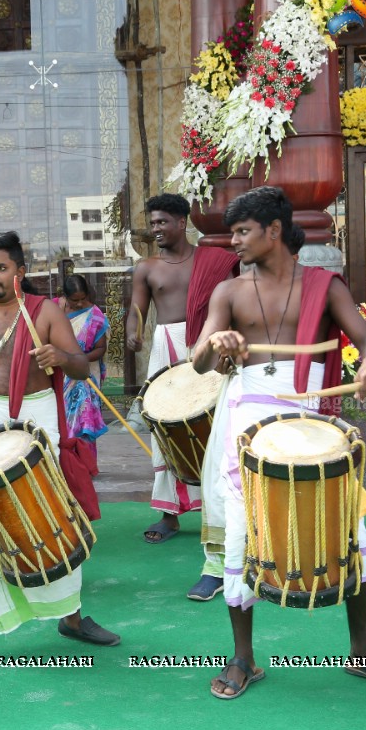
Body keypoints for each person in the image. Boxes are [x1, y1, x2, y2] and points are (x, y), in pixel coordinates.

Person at [191, 186, 366, 699]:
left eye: (243, 231)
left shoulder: (324, 285)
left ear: (274, 230)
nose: (236, 242)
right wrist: (215, 344)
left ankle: (361, 653)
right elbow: (197, 360)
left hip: (313, 425)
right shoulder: (228, 291)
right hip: (246, 428)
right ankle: (243, 660)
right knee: (242, 542)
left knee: (352, 537)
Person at [0, 231, 120, 677]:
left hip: (37, 424)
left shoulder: (45, 312)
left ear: (20, 271)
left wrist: (59, 354)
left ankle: (70, 617)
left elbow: (82, 366)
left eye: (1, 267)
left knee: (51, 518)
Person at [127, 193, 238, 602]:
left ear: (181, 222)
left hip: (204, 343)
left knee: (207, 427)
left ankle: (216, 511)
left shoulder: (212, 260)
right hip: (166, 346)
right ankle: (170, 513)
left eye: (162, 222)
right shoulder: (147, 267)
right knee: (165, 428)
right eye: (152, 223)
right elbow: (136, 310)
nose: (156, 229)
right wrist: (133, 333)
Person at [53, 275, 108, 464]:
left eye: (82, 299)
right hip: (58, 376)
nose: (79, 304)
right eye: (74, 300)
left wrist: (76, 361)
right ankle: (64, 465)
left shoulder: (95, 315)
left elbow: (100, 349)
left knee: (83, 422)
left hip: (84, 377)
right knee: (60, 422)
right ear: (64, 296)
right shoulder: (52, 310)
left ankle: (85, 464)